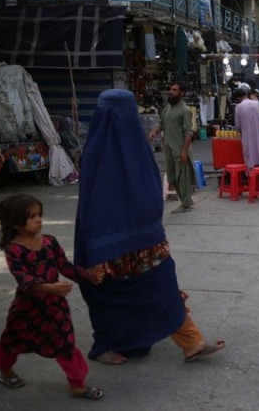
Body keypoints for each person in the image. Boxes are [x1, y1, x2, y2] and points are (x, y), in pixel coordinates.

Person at [75, 89, 224, 366]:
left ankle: (190, 343)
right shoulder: (97, 152)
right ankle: (106, 345)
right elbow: (93, 205)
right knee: (113, 296)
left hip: (145, 238)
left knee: (162, 284)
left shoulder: (136, 147)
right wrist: (96, 250)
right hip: (109, 244)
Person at [0, 193, 104, 400]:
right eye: (31, 216)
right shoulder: (14, 250)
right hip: (26, 308)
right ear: (16, 223)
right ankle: (5, 372)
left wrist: (87, 275)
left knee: (65, 343)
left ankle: (77, 385)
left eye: (39, 214)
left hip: (55, 308)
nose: (39, 220)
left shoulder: (49, 242)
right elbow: (24, 280)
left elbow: (65, 267)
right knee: (12, 340)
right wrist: (49, 288)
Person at [148, 82, 195, 214]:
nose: (170, 92)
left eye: (174, 90)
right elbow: (161, 124)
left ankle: (185, 204)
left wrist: (185, 151)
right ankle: (186, 200)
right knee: (172, 178)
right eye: (170, 89)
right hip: (169, 148)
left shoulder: (185, 110)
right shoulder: (167, 108)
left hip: (181, 149)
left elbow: (188, 132)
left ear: (181, 93)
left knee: (183, 178)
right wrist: (154, 132)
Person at [233, 87, 259, 169]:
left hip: (247, 140)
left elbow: (238, 127)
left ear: (238, 98)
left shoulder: (238, 107)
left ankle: (252, 179)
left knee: (250, 162)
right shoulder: (257, 103)